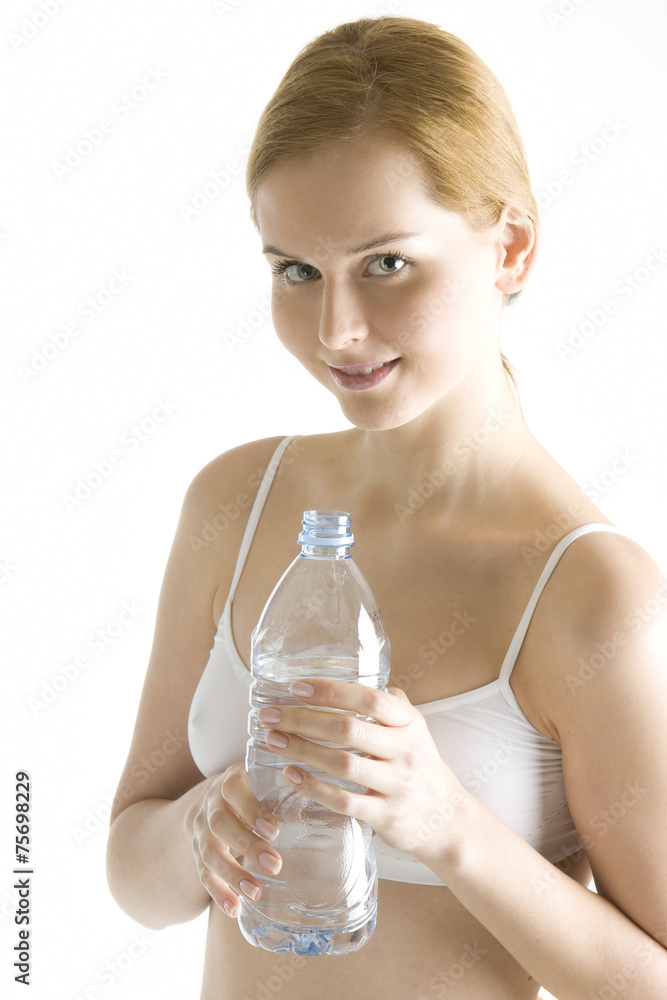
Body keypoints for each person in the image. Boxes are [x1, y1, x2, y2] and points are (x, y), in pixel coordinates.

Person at [106, 16, 667, 1000]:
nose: (337, 331)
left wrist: (445, 823)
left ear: (512, 248)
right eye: (296, 270)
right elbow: (133, 874)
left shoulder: (592, 594)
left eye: (386, 264)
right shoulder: (234, 502)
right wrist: (198, 829)